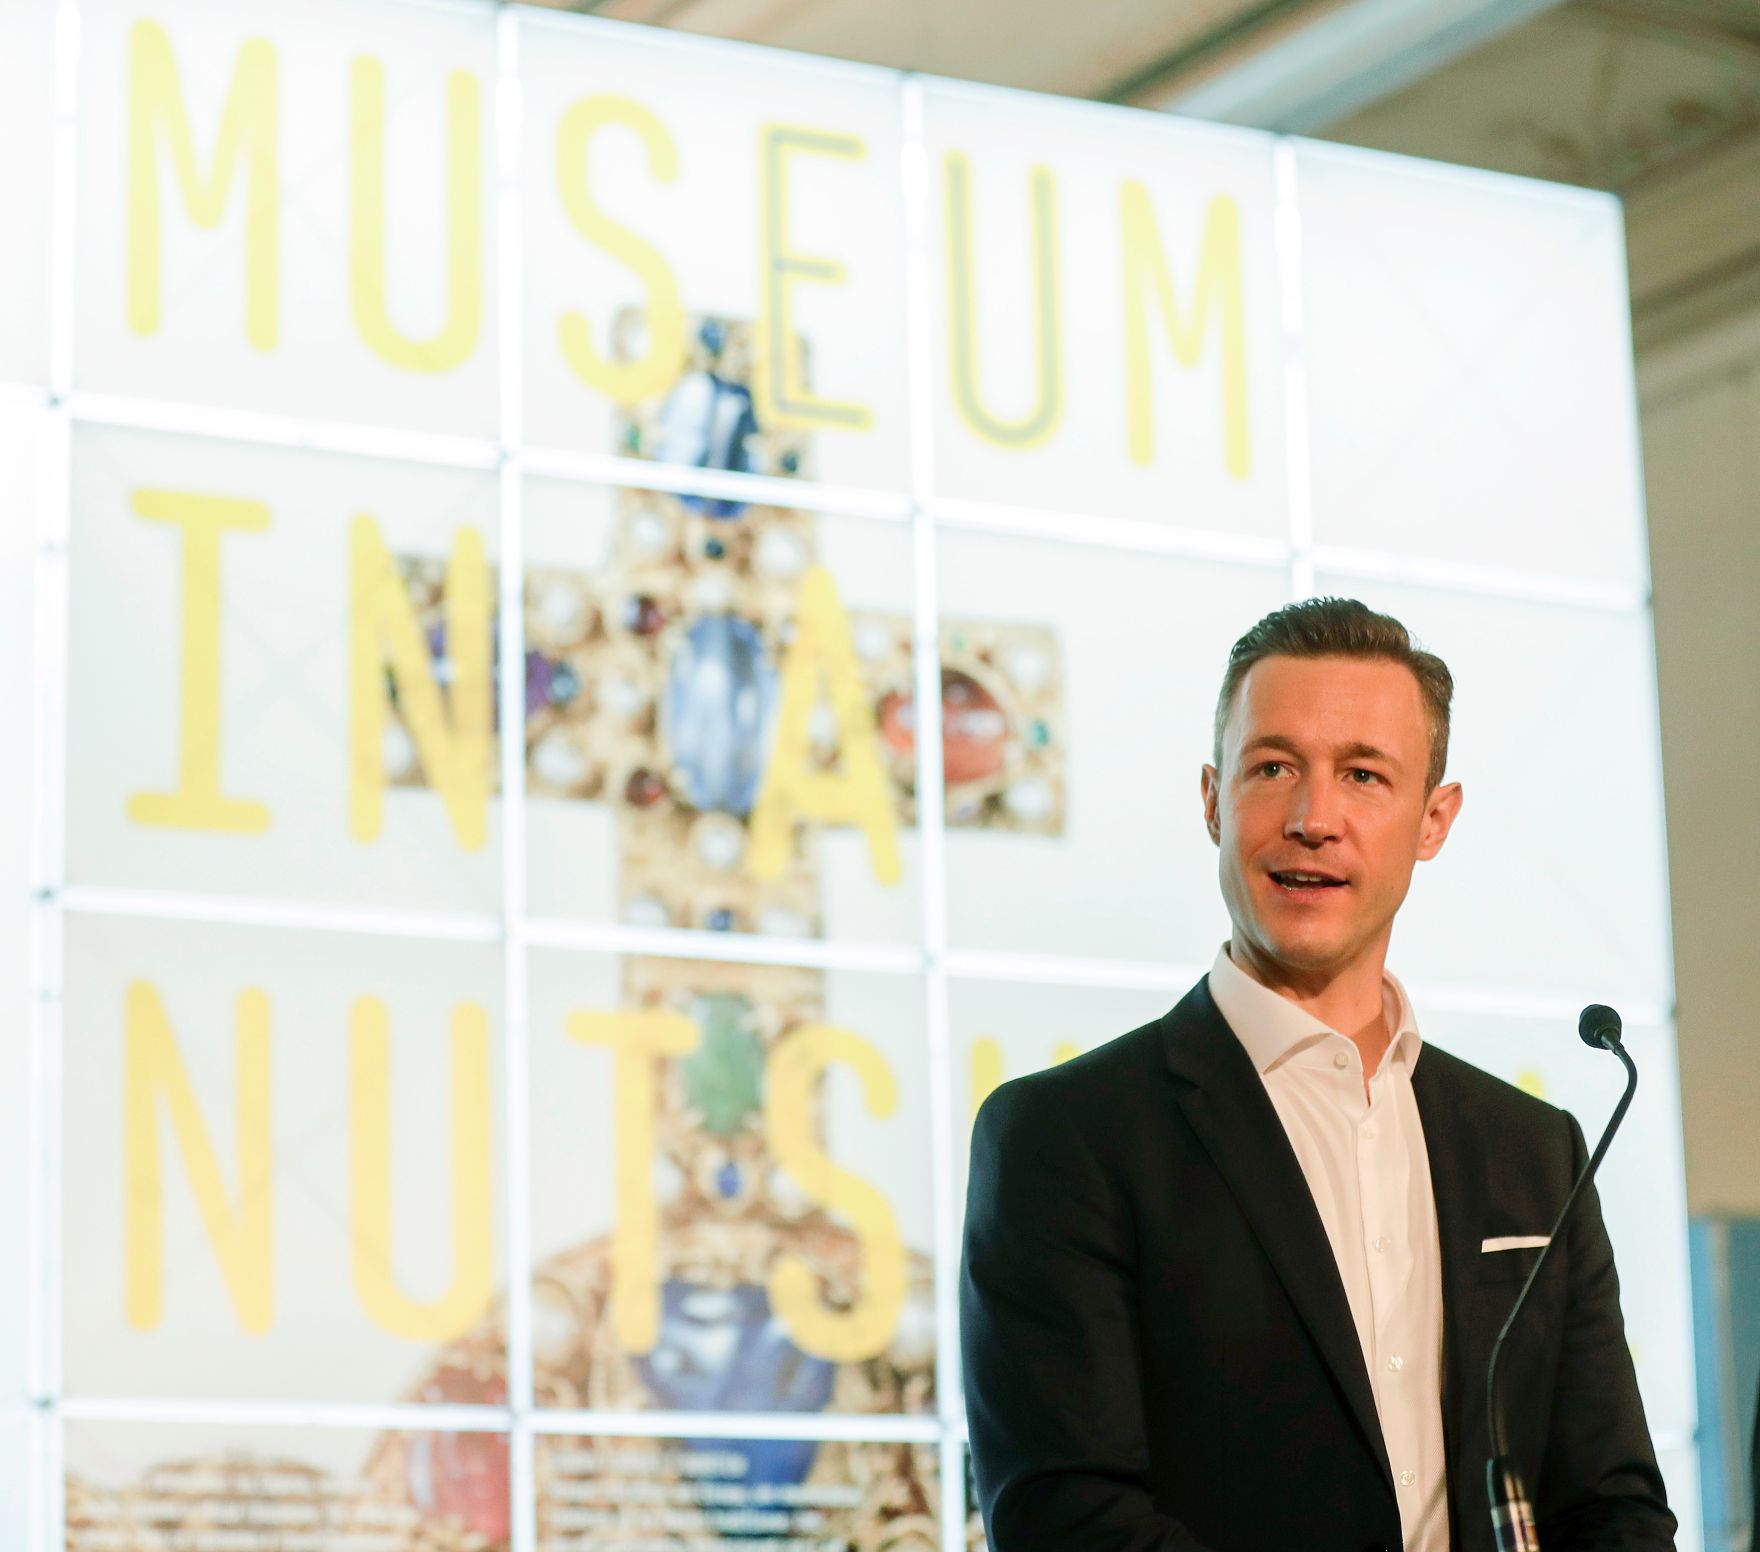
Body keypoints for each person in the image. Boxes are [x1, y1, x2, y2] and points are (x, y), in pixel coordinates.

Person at [961, 598, 1674, 1552]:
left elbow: (1611, 1506)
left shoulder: (1534, 1152)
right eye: (1273, 768)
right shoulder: (1064, 1137)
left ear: (1434, 819)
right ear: (1213, 799)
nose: (1312, 819)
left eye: (1364, 775)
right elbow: (1067, 1517)